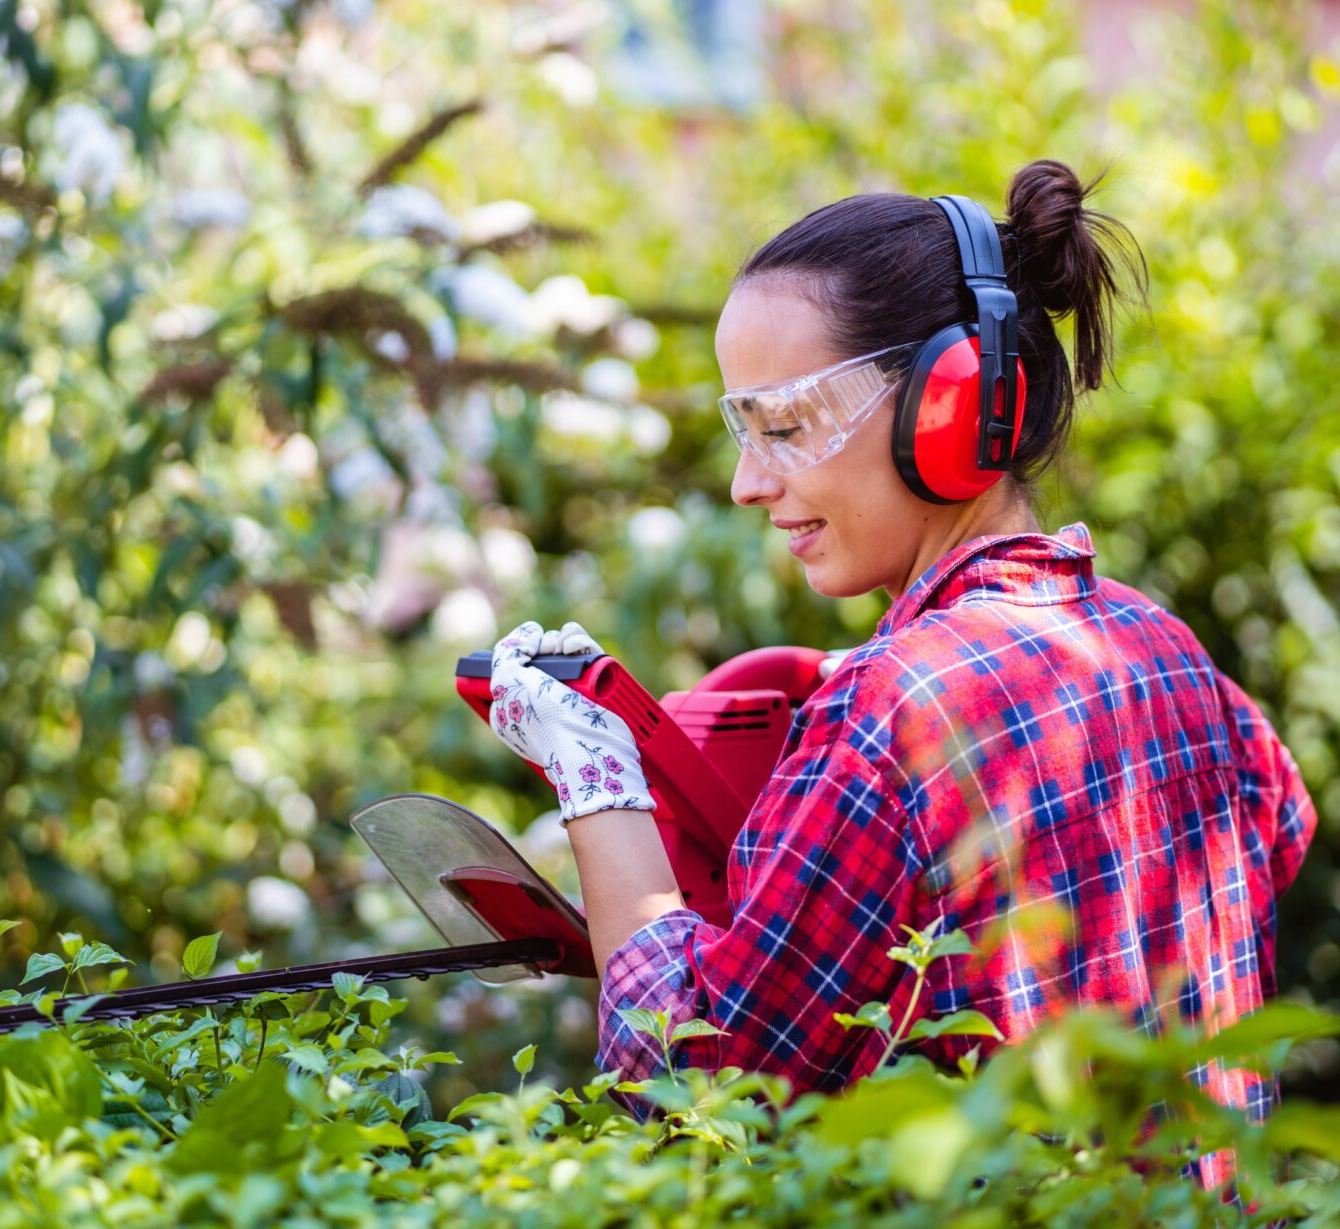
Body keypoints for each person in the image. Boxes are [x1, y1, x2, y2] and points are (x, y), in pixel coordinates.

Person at [484, 160, 1316, 1189]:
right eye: (742, 428)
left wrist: (597, 776)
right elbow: (1279, 822)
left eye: (785, 426)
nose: (750, 482)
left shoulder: (892, 710)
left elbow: (696, 1080)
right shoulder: (1159, 643)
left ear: (954, 405)